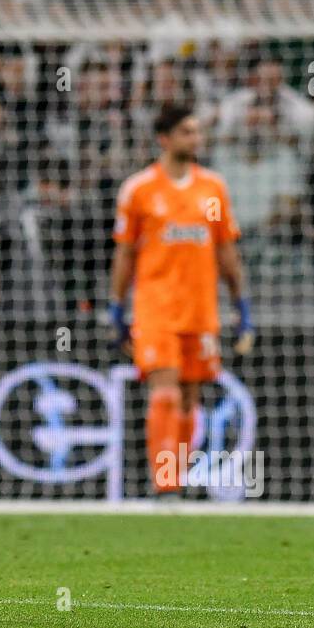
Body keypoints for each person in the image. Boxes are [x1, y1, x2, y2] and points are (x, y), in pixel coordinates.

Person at [108, 102, 252, 495]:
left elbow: (226, 251)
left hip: (201, 309)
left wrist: (241, 305)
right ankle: (164, 482)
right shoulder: (139, 189)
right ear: (165, 139)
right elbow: (125, 252)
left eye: (198, 131)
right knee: (166, 391)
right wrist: (116, 306)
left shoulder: (213, 188)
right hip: (155, 307)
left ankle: (178, 476)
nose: (196, 139)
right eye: (188, 132)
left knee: (190, 398)